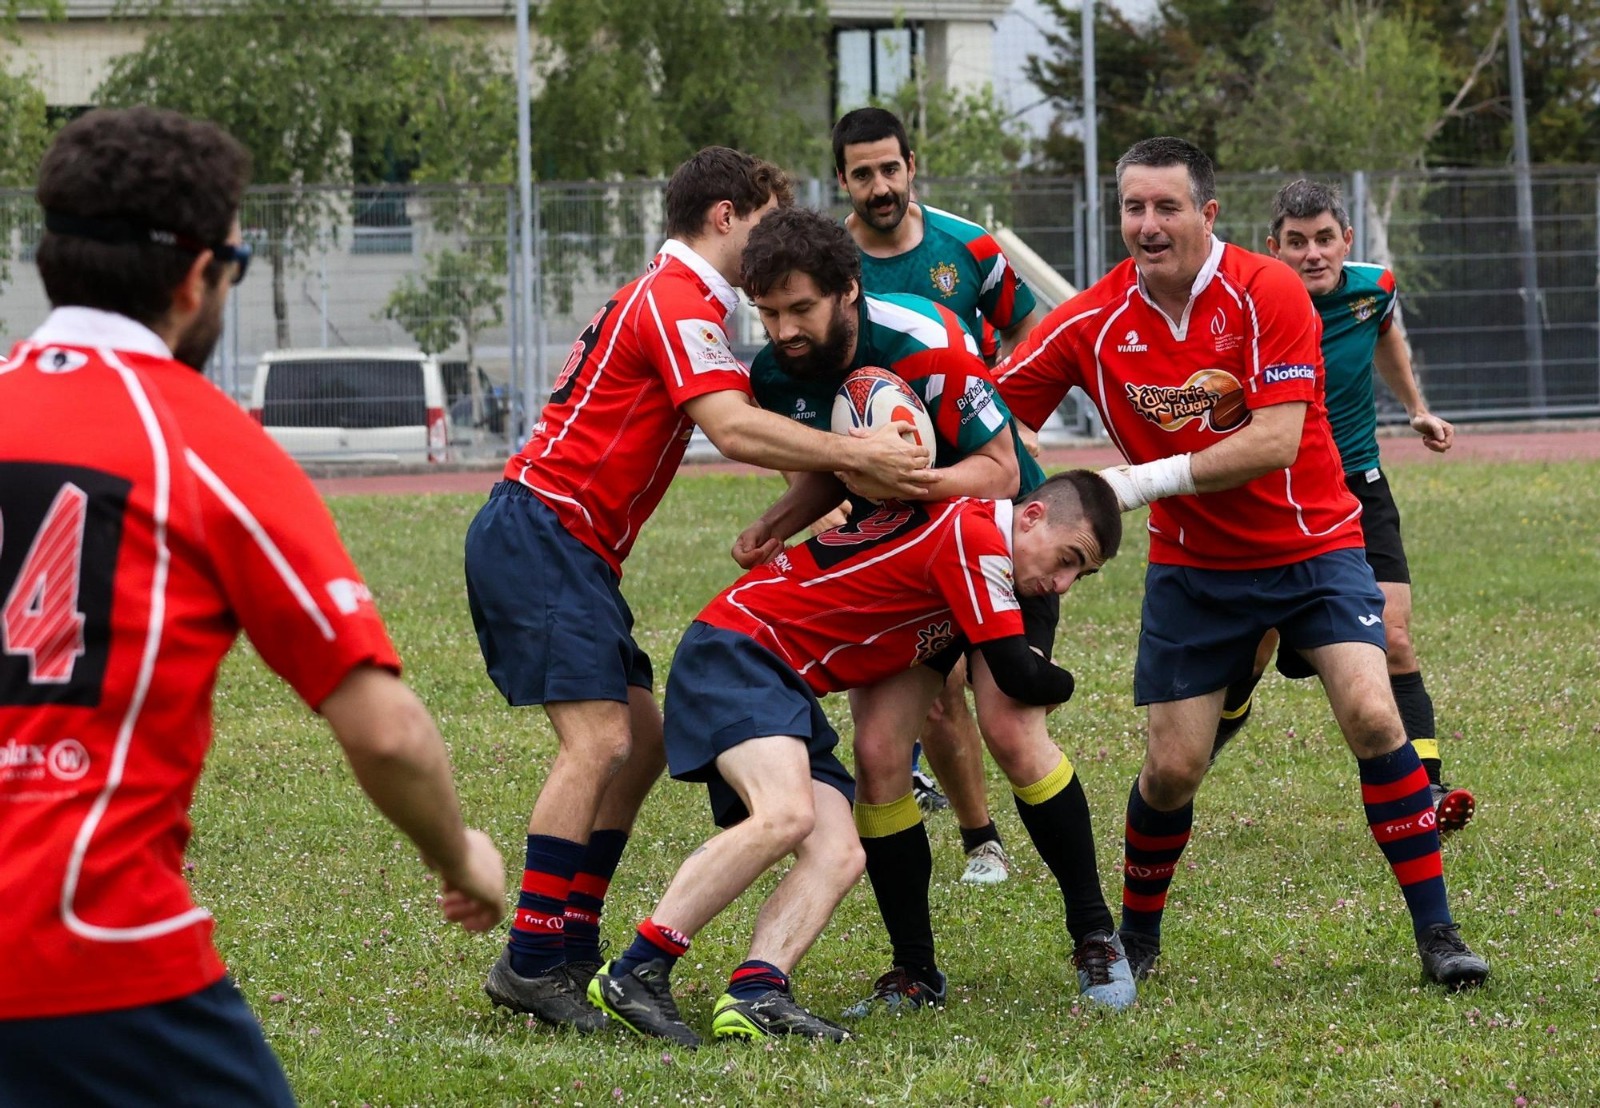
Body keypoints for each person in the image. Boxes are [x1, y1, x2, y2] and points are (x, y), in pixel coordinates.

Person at [0, 107, 507, 1108]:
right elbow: (389, 734)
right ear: (198, 276)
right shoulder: (203, 444)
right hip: (88, 947)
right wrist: (463, 855)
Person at [994, 136, 1489, 990]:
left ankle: (1439, 935)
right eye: (1133, 208)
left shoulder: (1268, 291)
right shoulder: (1092, 321)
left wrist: (1130, 482)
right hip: (1195, 570)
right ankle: (1137, 941)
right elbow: (993, 417)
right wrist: (1022, 498)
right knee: (1175, 768)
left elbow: (1275, 439)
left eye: (1167, 207)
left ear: (1207, 213)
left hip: (1316, 545)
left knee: (1374, 715)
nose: (1148, 226)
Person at [464, 148, 935, 1031]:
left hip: (567, 541)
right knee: (599, 742)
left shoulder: (680, 297)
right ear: (726, 215)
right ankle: (532, 960)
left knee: (639, 742)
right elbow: (730, 427)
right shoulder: (677, 297)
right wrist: (854, 454)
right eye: (767, 218)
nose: (774, 246)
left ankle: (568, 942)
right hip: (542, 526)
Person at [733, 206, 1139, 1017]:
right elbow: (837, 455)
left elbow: (995, 472)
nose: (783, 330)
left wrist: (902, 485)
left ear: (847, 292)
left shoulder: (924, 339)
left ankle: (1097, 935)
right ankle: (915, 971)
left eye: (801, 309)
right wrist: (778, 522)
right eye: (768, 313)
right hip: (903, 572)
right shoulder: (775, 375)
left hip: (1000, 547)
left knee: (1012, 728)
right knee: (882, 752)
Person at [588, 472, 1123, 1046]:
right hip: (740, 649)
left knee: (841, 853)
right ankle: (635, 970)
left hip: (780, 679)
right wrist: (1071, 681)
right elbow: (1019, 674)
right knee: (786, 814)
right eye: (1068, 559)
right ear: (1032, 516)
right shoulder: (976, 538)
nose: (1064, 583)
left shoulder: (972, 529)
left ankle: (756, 991)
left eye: (1080, 575)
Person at [1204, 180, 1473, 832]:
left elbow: (1386, 335)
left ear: (1346, 241)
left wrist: (1416, 409)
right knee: (1253, 655)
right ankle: (1184, 768)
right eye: (1296, 243)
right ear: (1274, 248)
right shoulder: (1247, 303)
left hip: (1358, 483)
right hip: (1276, 491)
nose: (1312, 253)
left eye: (1325, 238)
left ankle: (1426, 792)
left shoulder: (1374, 288)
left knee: (1396, 638)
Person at [832, 106, 1047, 883]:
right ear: (842, 180)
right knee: (931, 690)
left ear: (912, 165)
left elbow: (1030, 329)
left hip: (985, 486)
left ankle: (1004, 833)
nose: (880, 185)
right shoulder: (831, 268)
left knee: (1001, 703)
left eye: (891, 168)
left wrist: (1005, 410)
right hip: (890, 501)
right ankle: (979, 836)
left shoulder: (970, 249)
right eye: (863, 173)